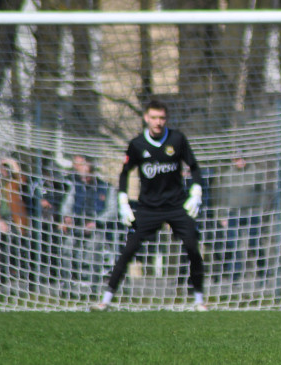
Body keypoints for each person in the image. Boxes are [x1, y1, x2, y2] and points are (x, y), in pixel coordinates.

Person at [92, 99, 208, 311]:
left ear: (167, 118)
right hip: (148, 208)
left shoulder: (177, 139)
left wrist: (197, 190)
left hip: (176, 205)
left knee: (193, 247)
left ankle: (199, 299)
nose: (158, 122)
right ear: (146, 118)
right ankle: (106, 299)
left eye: (162, 118)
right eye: (154, 118)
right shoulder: (137, 144)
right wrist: (123, 201)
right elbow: (125, 173)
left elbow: (194, 167)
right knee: (128, 251)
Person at [60, 155, 118, 286]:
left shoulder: (107, 188)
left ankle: (92, 285)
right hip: (77, 226)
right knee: (67, 247)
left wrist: (96, 222)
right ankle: (67, 284)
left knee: (93, 248)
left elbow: (112, 210)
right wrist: (67, 217)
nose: (84, 177)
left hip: (98, 228)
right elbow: (66, 205)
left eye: (87, 173)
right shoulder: (76, 187)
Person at [212, 152, 267, 283]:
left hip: (251, 213)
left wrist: (261, 211)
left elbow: (263, 193)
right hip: (233, 214)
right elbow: (222, 197)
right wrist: (221, 215)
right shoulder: (227, 176)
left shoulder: (256, 173)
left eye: (242, 159)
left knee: (255, 243)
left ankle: (263, 274)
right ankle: (234, 277)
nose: (240, 162)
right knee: (233, 245)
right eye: (237, 159)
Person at [0, 156, 30, 285]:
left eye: (7, 168)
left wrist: (13, 164)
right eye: (2, 168)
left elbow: (21, 178)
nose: (4, 171)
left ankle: (18, 272)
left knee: (15, 239)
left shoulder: (14, 183)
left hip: (15, 219)